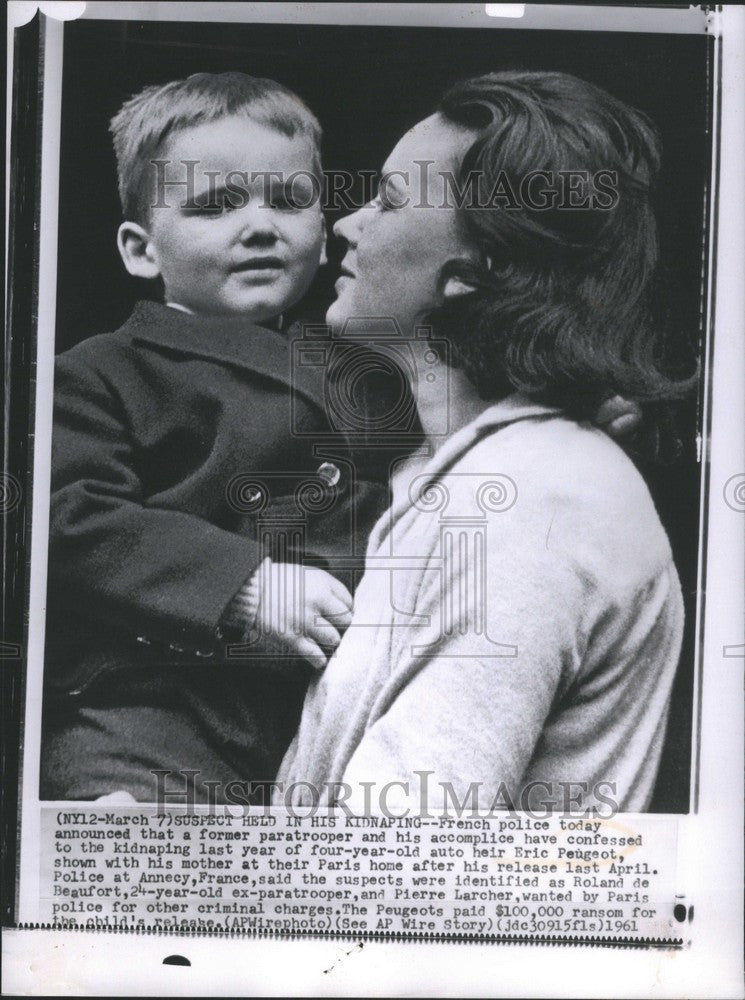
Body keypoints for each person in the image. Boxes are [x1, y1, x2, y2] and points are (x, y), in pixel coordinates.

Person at [277, 71, 690, 814]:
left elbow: (396, 867)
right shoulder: (454, 472)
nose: (346, 224)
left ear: (481, 268)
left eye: (389, 199)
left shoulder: (533, 498)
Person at [40, 72, 394, 803]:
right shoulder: (99, 372)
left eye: (289, 200)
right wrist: (238, 586)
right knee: (131, 854)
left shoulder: (363, 367)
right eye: (215, 205)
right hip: (150, 711)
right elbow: (62, 517)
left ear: (322, 234)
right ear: (142, 251)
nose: (260, 225)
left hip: (309, 712)